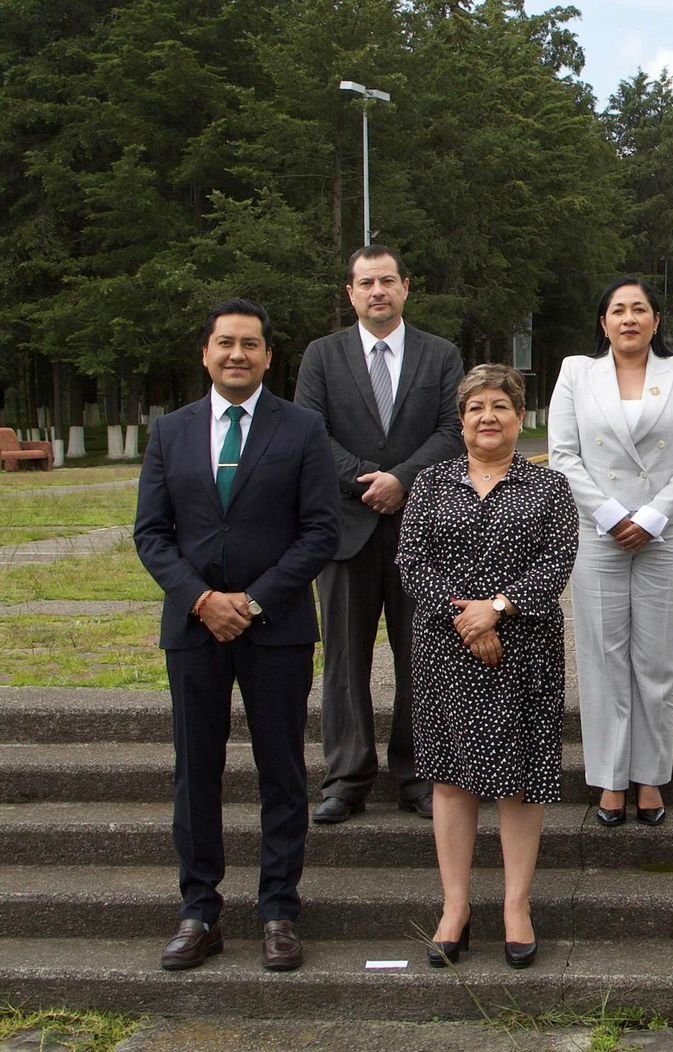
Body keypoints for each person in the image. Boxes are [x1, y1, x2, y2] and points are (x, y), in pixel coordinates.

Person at [134, 299, 341, 973]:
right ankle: (199, 912)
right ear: (205, 352)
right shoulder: (170, 432)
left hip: (275, 628)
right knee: (197, 773)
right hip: (193, 629)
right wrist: (201, 600)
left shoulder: (304, 429)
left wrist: (250, 603)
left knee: (282, 771)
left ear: (269, 357)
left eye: (251, 345)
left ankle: (279, 910)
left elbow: (320, 533)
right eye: (225, 343)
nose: (237, 355)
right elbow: (151, 534)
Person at [396, 364, 578, 970]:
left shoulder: (549, 489)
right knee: (450, 779)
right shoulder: (429, 484)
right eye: (477, 408)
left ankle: (515, 907)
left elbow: (557, 561)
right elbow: (413, 563)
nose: (488, 418)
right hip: (446, 650)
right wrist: (467, 622)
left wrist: (496, 611)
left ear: (519, 416)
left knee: (520, 780)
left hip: (524, 649)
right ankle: (455, 908)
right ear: (462, 418)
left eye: (500, 406)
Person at [295, 245, 466, 825]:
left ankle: (418, 772)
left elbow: (452, 429)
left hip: (423, 531)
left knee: (422, 654)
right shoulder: (322, 356)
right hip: (345, 529)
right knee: (344, 658)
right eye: (365, 282)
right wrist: (369, 484)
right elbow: (310, 432)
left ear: (406, 287)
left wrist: (401, 479)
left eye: (387, 281)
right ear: (350, 293)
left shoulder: (440, 355)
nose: (377, 292)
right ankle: (346, 776)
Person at [548, 278, 673, 826]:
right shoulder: (576, 372)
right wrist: (614, 515)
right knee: (602, 658)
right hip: (600, 532)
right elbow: (564, 454)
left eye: (639, 309)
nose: (629, 319)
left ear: (656, 321)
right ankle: (609, 780)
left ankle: (650, 778)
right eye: (617, 310)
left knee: (658, 661)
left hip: (664, 533)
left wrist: (652, 515)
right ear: (603, 323)